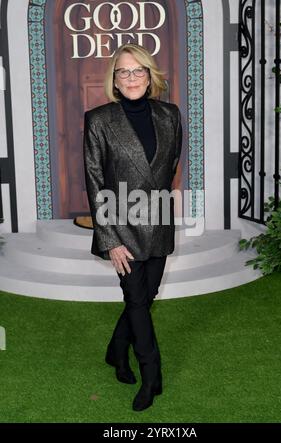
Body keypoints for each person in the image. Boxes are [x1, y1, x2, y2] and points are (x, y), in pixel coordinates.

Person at [83, 43, 182, 411]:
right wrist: (110, 239)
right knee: (137, 301)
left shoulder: (170, 115)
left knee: (146, 296)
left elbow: (168, 167)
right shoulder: (98, 120)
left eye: (138, 69)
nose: (131, 77)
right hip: (121, 227)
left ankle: (115, 352)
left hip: (156, 222)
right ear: (114, 79)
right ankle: (151, 375)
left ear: (149, 74)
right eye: (123, 71)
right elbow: (94, 182)